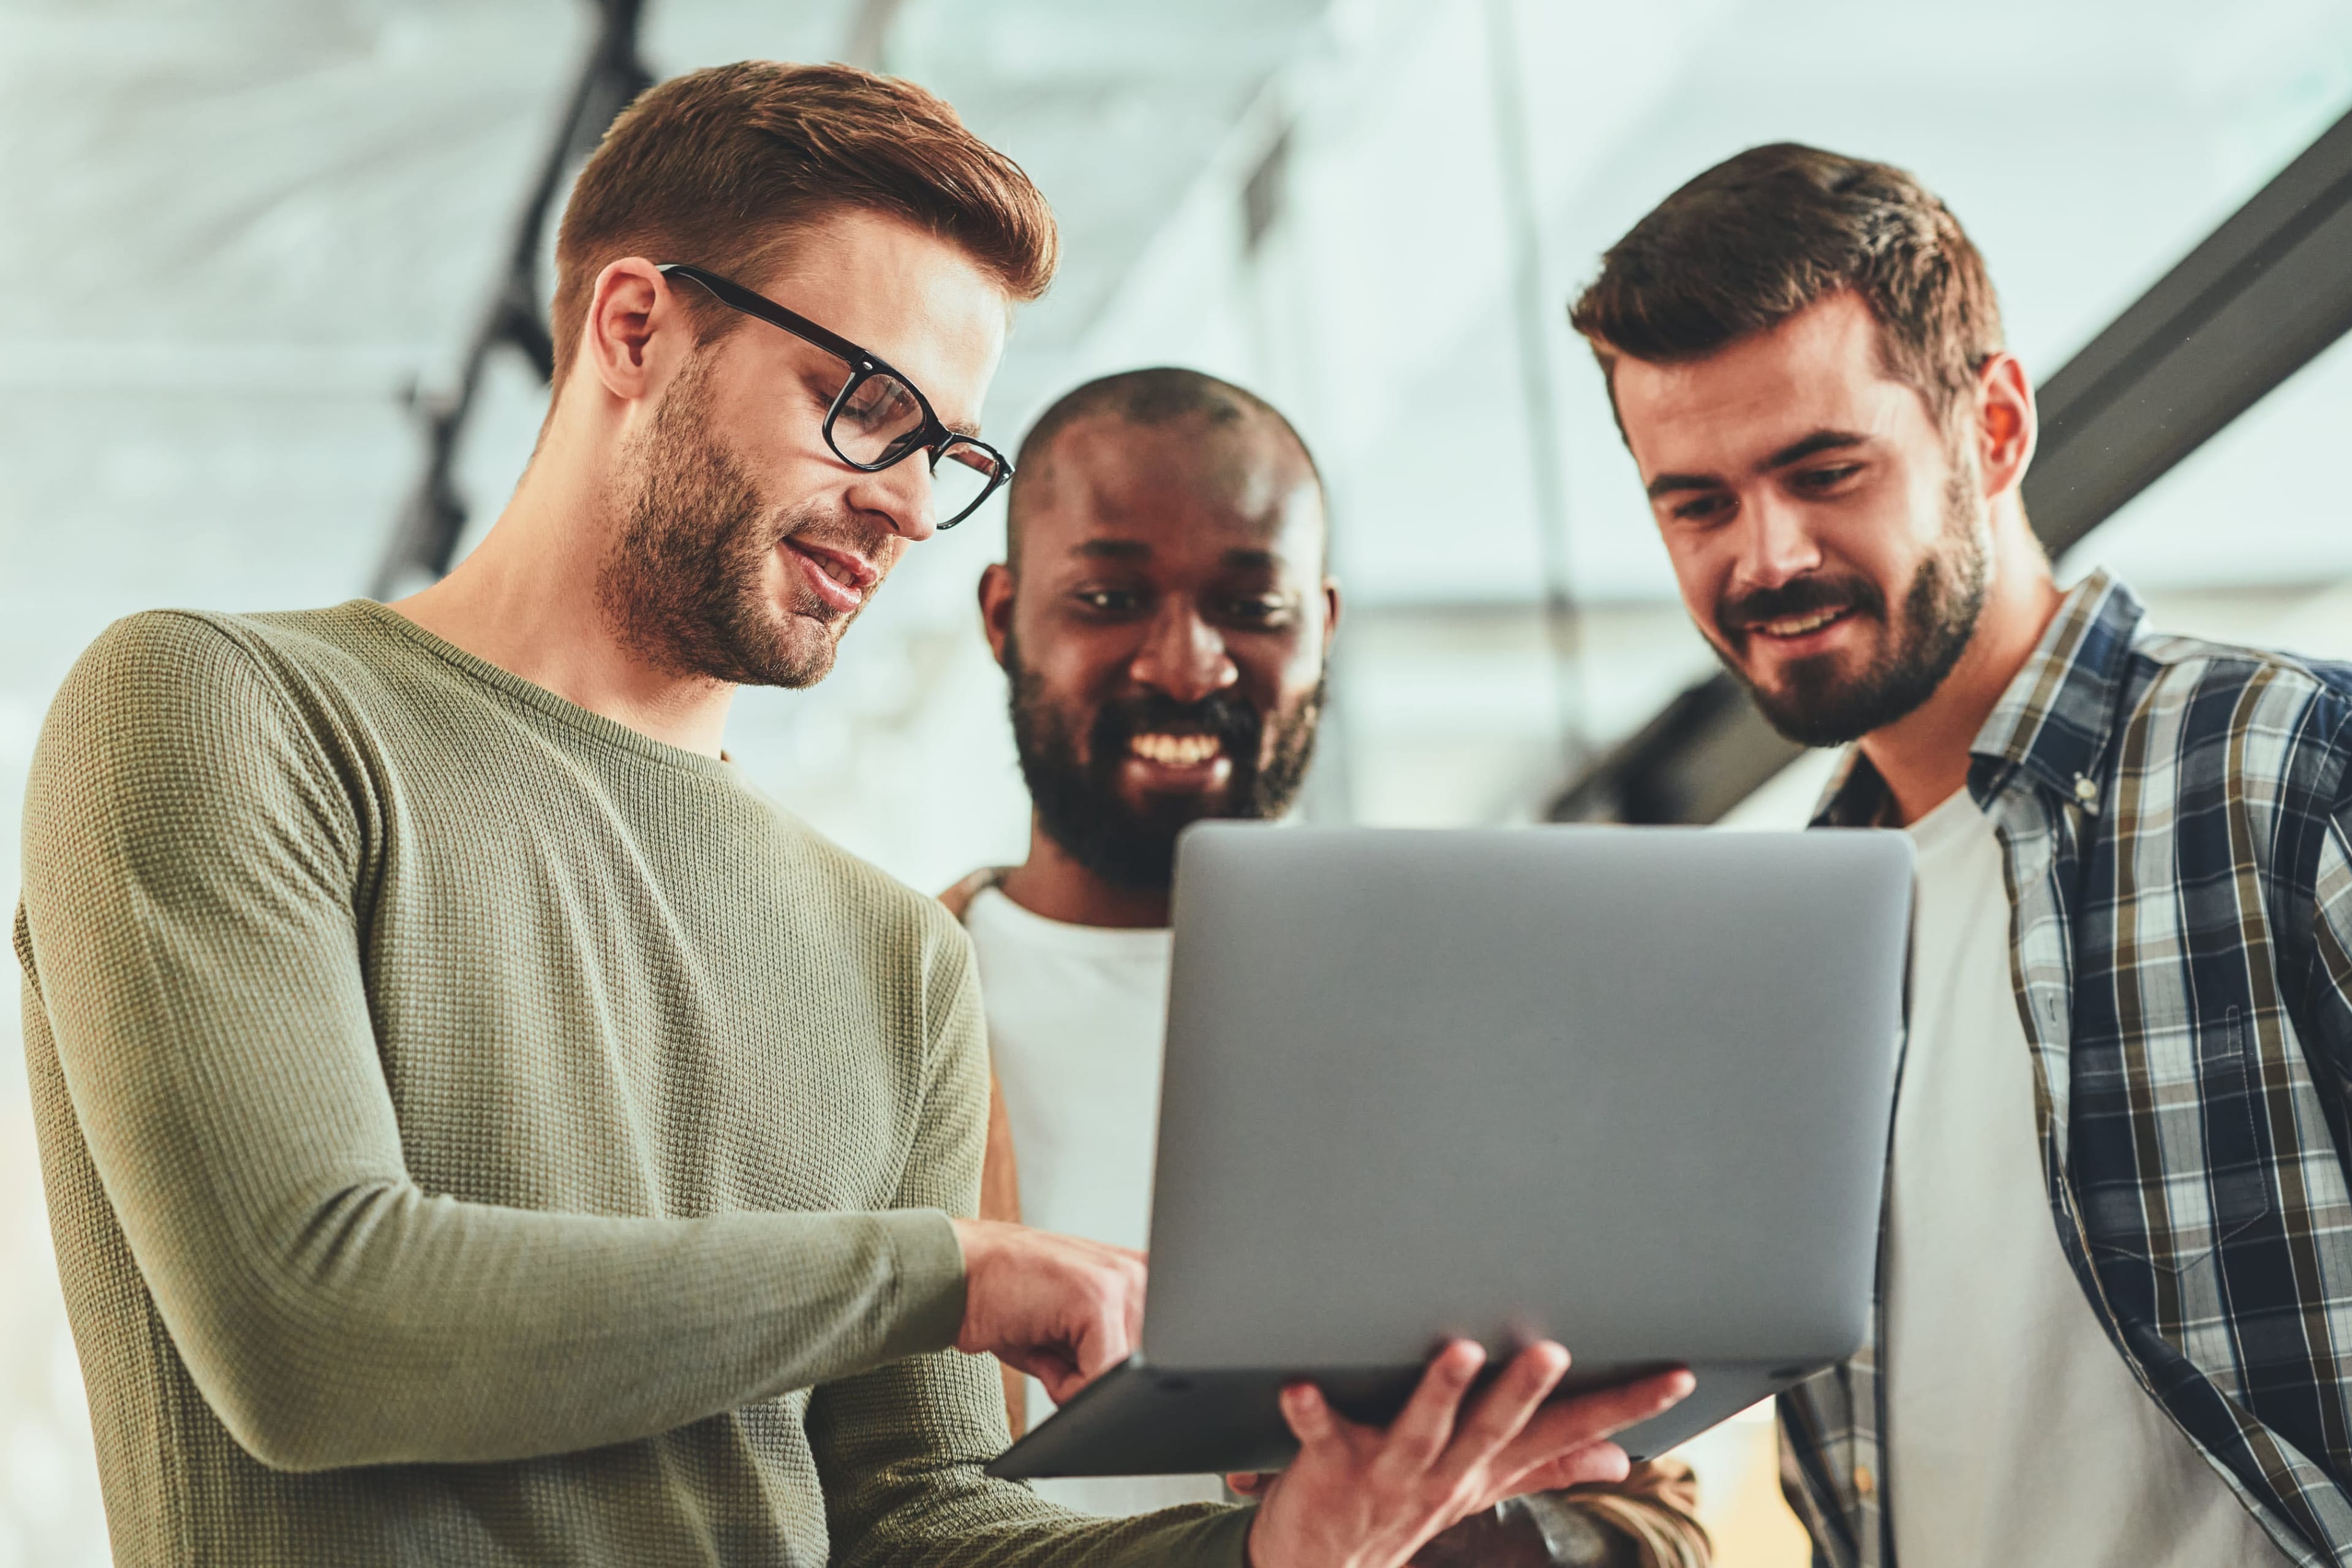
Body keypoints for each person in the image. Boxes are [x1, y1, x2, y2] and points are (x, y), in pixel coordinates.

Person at [16, 60, 1693, 1568]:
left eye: (947, 453)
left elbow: (911, 1530)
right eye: (866, 405)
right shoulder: (219, 713)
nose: (905, 505)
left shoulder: (893, 957)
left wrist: (1269, 1556)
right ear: (635, 328)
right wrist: (944, 1270)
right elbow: (314, 1333)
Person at [1570, 141, 2352, 1567]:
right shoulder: (1782, 943)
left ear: (1991, 428)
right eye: (1696, 503)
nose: (1767, 555)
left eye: (1825, 469)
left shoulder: (2288, 766)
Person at [939, 366, 1712, 1568]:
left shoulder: (1473, 1013)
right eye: (1109, 596)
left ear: (1325, 627)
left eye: (1253, 605)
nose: (1187, 664)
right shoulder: (872, 1013)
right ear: (1003, 616)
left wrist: (1441, 1511)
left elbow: (1654, 1518)